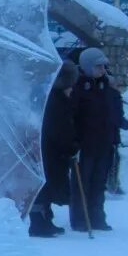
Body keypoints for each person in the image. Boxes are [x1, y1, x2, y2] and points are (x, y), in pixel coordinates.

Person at [70, 48, 118, 232]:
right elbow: (72, 115)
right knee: (83, 181)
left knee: (99, 182)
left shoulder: (106, 85)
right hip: (85, 143)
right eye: (98, 66)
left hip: (104, 142)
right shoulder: (78, 86)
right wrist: (73, 140)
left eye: (104, 66)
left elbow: (112, 110)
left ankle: (97, 215)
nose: (102, 70)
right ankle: (80, 218)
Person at [29, 60, 78, 238]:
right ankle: (38, 221)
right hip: (51, 152)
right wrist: (71, 146)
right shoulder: (57, 101)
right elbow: (60, 129)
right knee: (45, 186)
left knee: (47, 186)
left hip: (48, 150)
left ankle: (45, 218)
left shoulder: (51, 97)